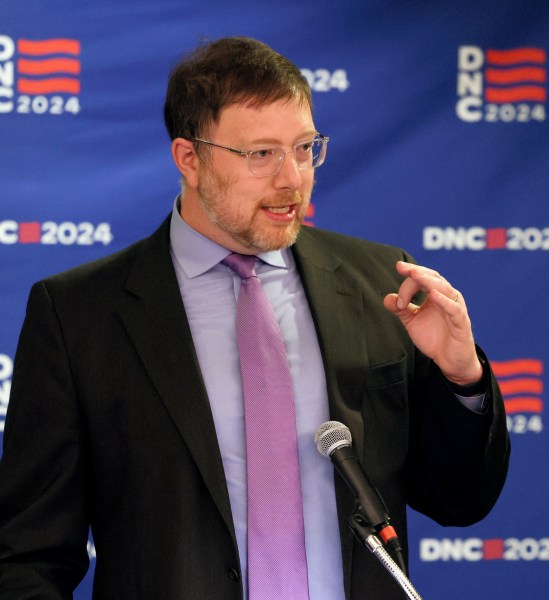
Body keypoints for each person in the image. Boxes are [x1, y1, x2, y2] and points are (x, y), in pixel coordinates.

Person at [0, 36, 509, 599]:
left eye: (305, 147)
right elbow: (30, 557)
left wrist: (462, 378)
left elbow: (460, 501)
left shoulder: (382, 286)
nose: (292, 178)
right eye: (261, 154)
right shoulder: (79, 315)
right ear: (189, 159)